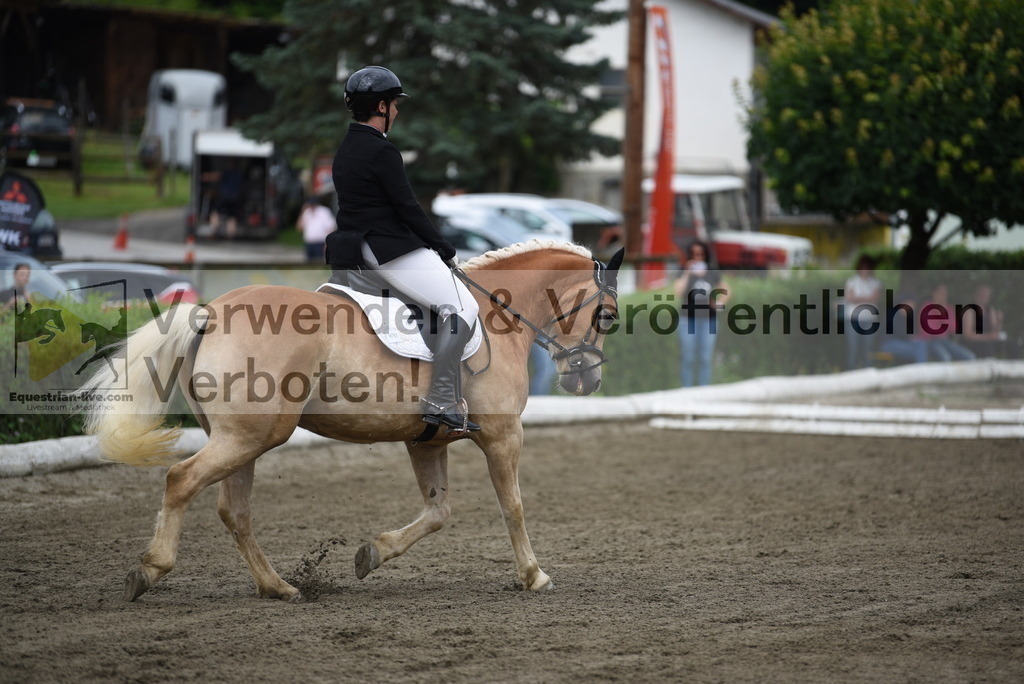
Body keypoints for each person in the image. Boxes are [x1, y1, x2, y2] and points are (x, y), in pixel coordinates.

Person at [325, 66, 481, 433]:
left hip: (353, 249)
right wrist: (444, 248)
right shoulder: (382, 151)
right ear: (381, 106)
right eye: (394, 104)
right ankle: (441, 398)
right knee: (463, 307)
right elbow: (408, 208)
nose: (396, 111)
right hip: (387, 248)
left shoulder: (345, 149)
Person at [674, 241, 729, 387]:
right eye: (694, 254)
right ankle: (687, 389)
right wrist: (687, 272)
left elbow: (726, 290)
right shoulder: (684, 271)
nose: (697, 257)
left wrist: (719, 304)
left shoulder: (711, 271)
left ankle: (704, 390)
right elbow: (678, 292)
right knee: (688, 358)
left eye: (700, 254)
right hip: (688, 320)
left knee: (705, 358)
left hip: (708, 321)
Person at [916, 283, 975, 362]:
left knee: (969, 356)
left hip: (945, 341)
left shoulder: (949, 308)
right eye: (940, 292)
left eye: (945, 293)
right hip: (930, 341)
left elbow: (954, 329)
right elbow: (926, 330)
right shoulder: (926, 306)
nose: (943, 295)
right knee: (946, 358)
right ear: (934, 293)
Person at [843, 255, 882, 370]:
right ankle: (851, 372)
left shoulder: (875, 283)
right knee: (853, 348)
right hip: (853, 318)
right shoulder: (852, 281)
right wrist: (867, 298)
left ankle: (868, 371)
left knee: (868, 349)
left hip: (869, 319)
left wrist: (857, 298)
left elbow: (875, 298)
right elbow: (849, 298)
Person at [878, 288, 929, 364]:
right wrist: (911, 338)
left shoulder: (907, 317)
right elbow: (899, 334)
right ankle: (921, 368)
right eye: (911, 303)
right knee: (918, 349)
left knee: (921, 344)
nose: (913, 306)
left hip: (902, 343)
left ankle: (921, 367)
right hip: (889, 344)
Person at [209, 159, 243, 240]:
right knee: (232, 216)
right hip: (235, 198)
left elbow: (217, 176)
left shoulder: (227, 172)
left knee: (215, 212)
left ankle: (214, 230)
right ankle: (230, 235)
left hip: (225, 197)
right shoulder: (239, 174)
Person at [296, 197, 337, 262]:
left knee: (318, 263)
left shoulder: (324, 211)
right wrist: (302, 212)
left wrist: (327, 243)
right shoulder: (307, 212)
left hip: (320, 243)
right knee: (309, 264)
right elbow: (299, 227)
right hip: (309, 243)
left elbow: (331, 228)